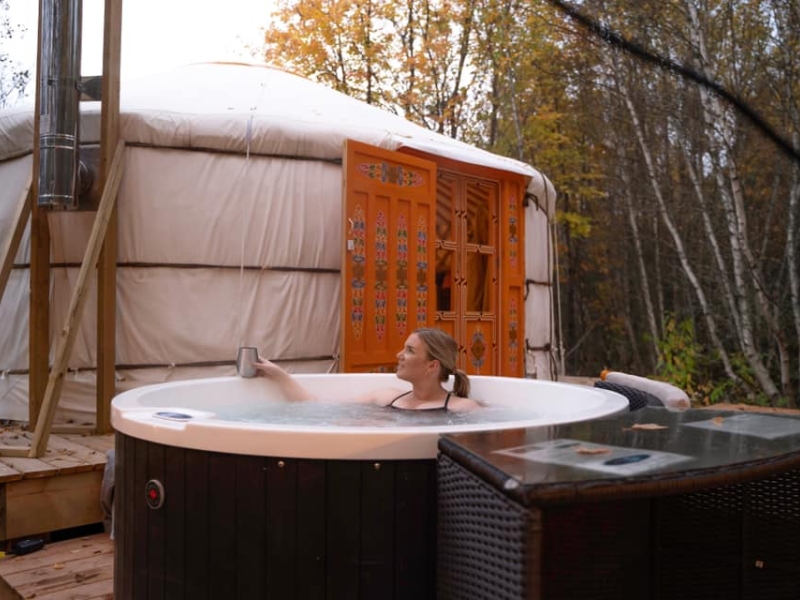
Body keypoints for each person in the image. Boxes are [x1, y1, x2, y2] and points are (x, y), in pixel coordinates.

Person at [254, 327, 480, 412]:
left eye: (409, 350)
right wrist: (280, 376)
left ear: (432, 365)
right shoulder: (385, 398)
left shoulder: (463, 409)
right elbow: (316, 408)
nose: (398, 355)